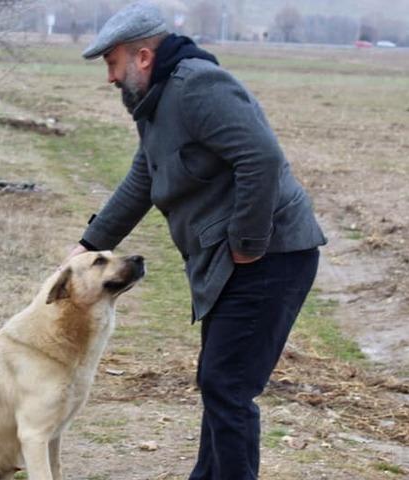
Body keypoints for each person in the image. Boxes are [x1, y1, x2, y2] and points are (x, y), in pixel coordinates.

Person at [64, 3, 327, 479]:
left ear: (143, 56)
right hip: (235, 260)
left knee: (227, 384)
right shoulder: (156, 102)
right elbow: (145, 176)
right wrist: (91, 243)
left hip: (271, 255)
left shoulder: (197, 87)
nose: (109, 77)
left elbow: (261, 159)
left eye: (112, 62)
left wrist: (248, 241)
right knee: (219, 380)